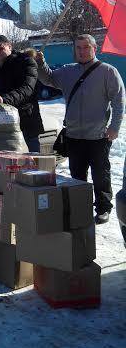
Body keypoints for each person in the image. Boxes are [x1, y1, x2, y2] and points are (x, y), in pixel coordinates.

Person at [36, 34, 125, 225]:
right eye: (78, 48)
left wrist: (115, 127)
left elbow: (119, 101)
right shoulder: (67, 71)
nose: (82, 51)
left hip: (98, 135)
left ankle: (103, 209)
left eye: (86, 47)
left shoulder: (108, 72)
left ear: (94, 48)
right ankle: (80, 206)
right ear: (74, 50)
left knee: (101, 174)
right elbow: (48, 79)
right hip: (74, 135)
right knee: (77, 175)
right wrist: (40, 62)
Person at [0, 34, 44, 152]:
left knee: (33, 165)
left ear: (9, 46)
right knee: (9, 166)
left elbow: (27, 88)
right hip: (4, 127)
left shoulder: (26, 62)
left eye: (1, 48)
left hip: (27, 121)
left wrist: (4, 100)